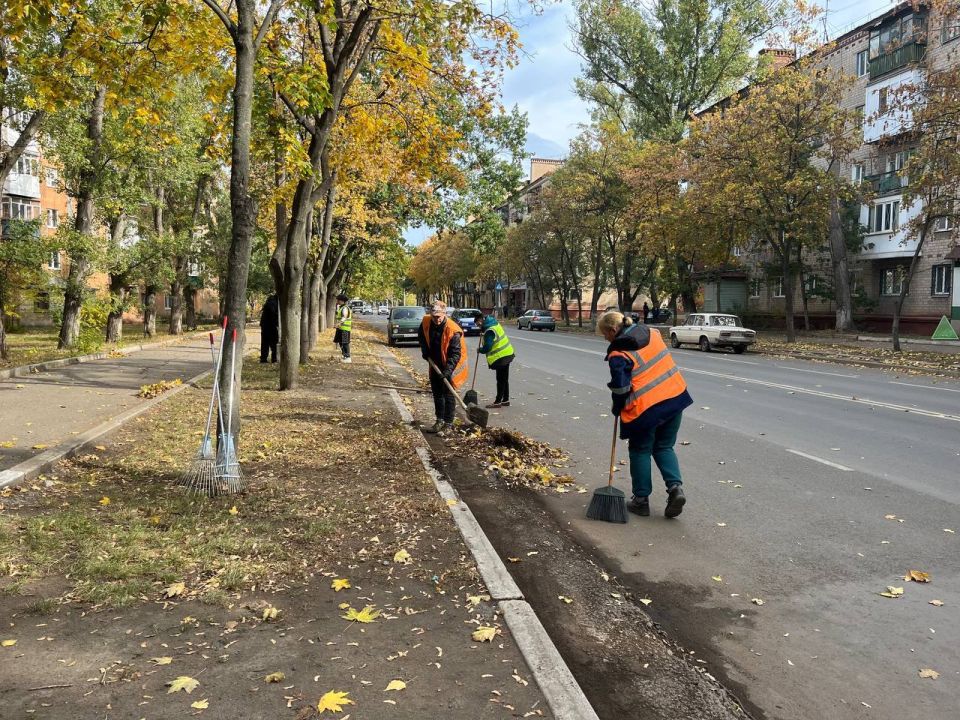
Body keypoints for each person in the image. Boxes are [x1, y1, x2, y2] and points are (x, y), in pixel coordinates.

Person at [598, 311, 692, 518]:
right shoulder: (652, 333)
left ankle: (641, 500)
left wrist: (617, 406)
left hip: (646, 409)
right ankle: (675, 489)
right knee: (664, 446)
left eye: (605, 334)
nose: (605, 338)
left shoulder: (619, 354)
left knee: (640, 450)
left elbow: (621, 389)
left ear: (613, 330)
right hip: (675, 397)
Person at [418, 300, 468, 434]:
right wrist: (425, 351)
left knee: (448, 394)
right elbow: (422, 335)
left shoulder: (453, 330)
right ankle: (439, 420)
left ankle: (448, 424)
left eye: (439, 317)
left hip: (451, 366)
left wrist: (448, 371)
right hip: (434, 363)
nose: (437, 320)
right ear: (431, 314)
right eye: (434, 317)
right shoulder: (426, 322)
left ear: (445, 314)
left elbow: (455, 354)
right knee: (437, 393)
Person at [478, 315, 515, 408]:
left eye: (477, 324)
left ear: (480, 321)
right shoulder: (494, 324)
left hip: (501, 358)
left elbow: (487, 347)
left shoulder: (489, 331)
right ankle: (505, 400)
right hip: (508, 353)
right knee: (504, 379)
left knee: (500, 380)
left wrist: (480, 350)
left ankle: (498, 402)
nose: (478, 326)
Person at [259, 294, 279, 363]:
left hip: (265, 325)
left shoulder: (270, 301)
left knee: (265, 343)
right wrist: (277, 323)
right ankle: (274, 359)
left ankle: (263, 358)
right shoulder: (274, 303)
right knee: (274, 342)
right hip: (270, 326)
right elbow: (274, 315)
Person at [333, 293, 352, 363]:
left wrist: (338, 323)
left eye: (338, 300)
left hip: (345, 329)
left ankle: (347, 357)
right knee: (341, 342)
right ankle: (344, 356)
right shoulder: (341, 307)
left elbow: (344, 317)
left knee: (345, 343)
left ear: (342, 301)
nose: (337, 301)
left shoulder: (345, 308)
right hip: (341, 329)